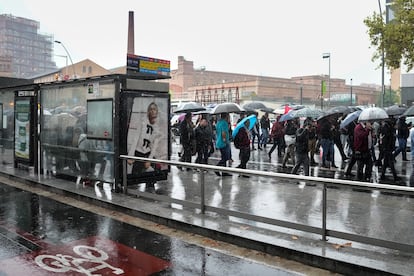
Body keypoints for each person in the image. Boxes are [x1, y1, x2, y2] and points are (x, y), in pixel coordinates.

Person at [128, 102, 163, 177]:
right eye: (150, 109)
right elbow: (136, 138)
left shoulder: (157, 127)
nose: (152, 111)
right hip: (138, 152)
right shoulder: (142, 122)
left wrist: (149, 160)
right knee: (135, 178)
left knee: (150, 178)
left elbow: (154, 145)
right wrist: (130, 156)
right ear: (148, 111)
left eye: (154, 109)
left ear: (157, 111)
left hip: (148, 153)